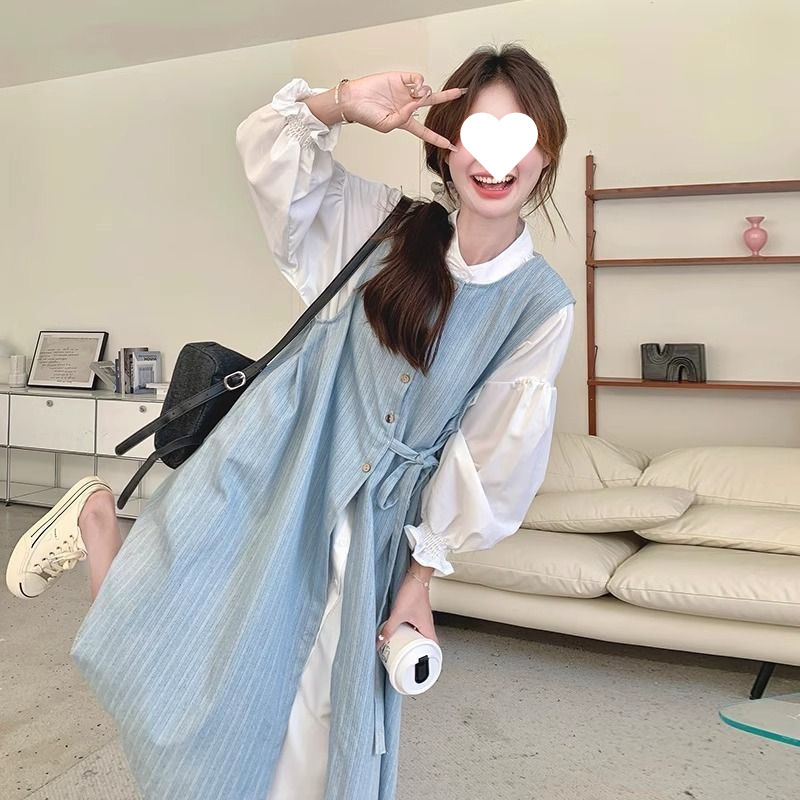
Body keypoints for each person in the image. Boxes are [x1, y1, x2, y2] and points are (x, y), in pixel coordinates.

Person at [6, 43, 575, 800]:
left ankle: (100, 527)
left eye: (518, 136)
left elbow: (489, 458)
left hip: (370, 525)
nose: (496, 160)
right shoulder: (386, 228)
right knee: (182, 669)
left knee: (316, 721)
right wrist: (344, 101)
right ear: (446, 145)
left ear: (545, 154)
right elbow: (270, 152)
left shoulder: (540, 306)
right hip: (277, 466)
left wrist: (421, 579)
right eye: (477, 132)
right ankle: (102, 525)